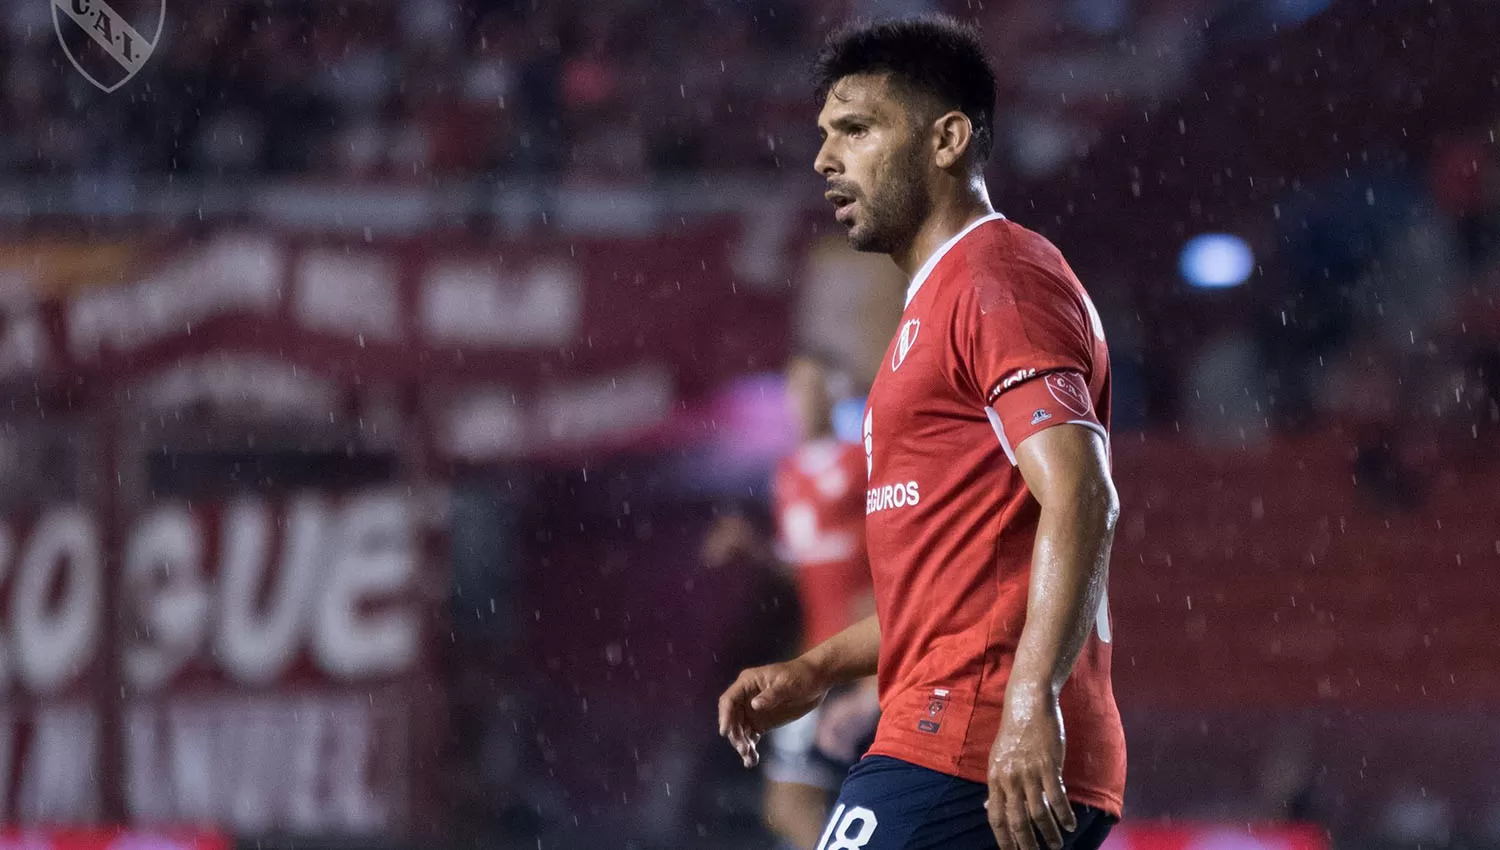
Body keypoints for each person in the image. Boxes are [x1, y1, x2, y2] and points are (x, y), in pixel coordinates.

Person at [717, 16, 1125, 850]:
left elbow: (1083, 494)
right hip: (957, 733)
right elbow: (949, 595)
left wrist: (1027, 704)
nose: (825, 159)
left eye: (858, 130)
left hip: (970, 745)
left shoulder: (995, 279)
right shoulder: (936, 304)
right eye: (824, 136)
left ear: (947, 139)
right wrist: (816, 668)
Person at [703, 351, 879, 850]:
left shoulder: (861, 461)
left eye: (815, 385)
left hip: (867, 658)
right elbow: (806, 566)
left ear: (835, 390)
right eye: (796, 388)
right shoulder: (788, 476)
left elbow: (883, 556)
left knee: (808, 801)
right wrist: (751, 548)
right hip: (817, 659)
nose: (805, 399)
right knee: (795, 804)